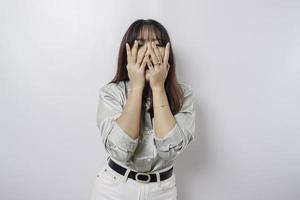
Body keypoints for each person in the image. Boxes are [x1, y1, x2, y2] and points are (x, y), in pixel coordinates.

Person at [90, 19, 196, 200]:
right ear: (128, 51)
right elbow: (119, 151)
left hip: (163, 191)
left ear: (168, 53)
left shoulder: (183, 94)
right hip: (114, 188)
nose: (149, 51)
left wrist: (158, 87)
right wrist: (137, 86)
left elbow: (170, 150)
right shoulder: (111, 92)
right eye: (140, 44)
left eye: (158, 44)